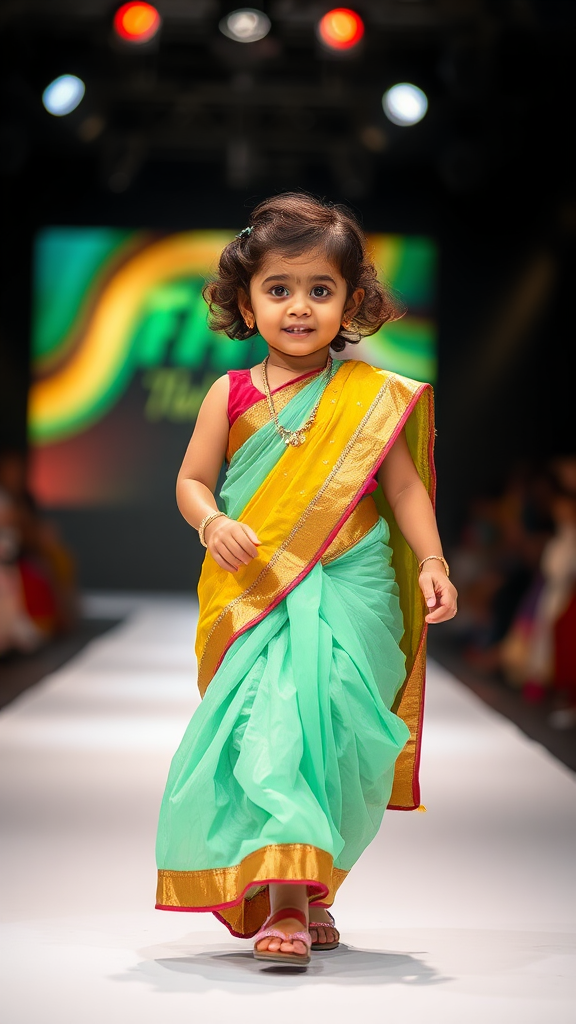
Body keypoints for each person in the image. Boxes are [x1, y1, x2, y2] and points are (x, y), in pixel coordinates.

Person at [155, 193, 457, 966]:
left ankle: (310, 884)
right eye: (279, 290)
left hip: (354, 592)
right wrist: (212, 521)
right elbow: (192, 481)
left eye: (320, 290)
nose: (299, 308)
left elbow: (404, 490)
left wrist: (431, 560)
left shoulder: (372, 399)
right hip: (259, 591)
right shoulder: (231, 394)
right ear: (244, 303)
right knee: (273, 731)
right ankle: (286, 902)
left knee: (340, 741)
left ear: (352, 302)